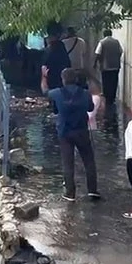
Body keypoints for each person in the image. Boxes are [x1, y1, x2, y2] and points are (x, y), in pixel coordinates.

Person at [42, 67, 101, 202]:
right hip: (82, 131)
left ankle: (70, 193)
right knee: (89, 161)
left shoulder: (57, 93)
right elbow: (91, 108)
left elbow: (45, 92)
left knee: (68, 163)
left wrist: (44, 77)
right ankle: (92, 190)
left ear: (63, 80)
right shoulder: (85, 93)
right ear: (75, 79)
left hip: (65, 133)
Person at [93, 29, 123, 106]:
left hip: (105, 66)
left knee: (106, 82)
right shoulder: (116, 42)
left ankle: (107, 97)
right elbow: (120, 51)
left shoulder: (102, 42)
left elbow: (98, 54)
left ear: (104, 34)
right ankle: (112, 97)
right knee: (114, 82)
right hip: (116, 66)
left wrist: (95, 63)